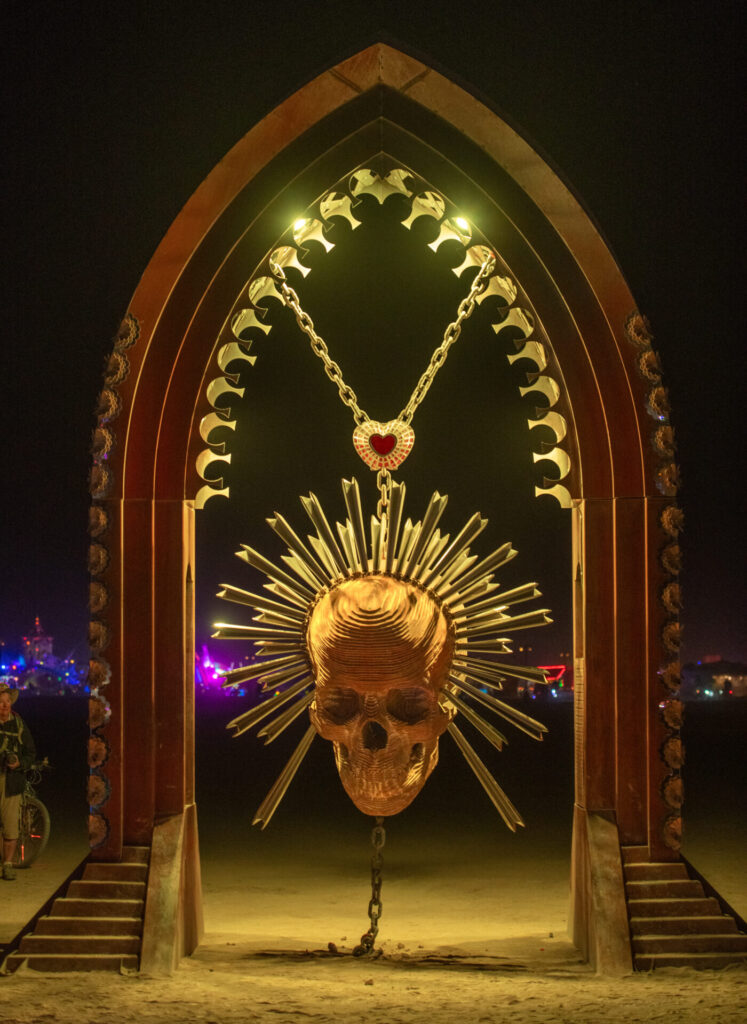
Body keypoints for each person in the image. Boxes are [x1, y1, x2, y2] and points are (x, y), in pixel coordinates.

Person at [0, 684, 36, 881]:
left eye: (7, 702)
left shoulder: (19, 724)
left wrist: (19, 763)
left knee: (11, 825)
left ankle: (7, 864)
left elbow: (31, 752)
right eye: (1, 702)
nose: (5, 706)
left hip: (12, 782)